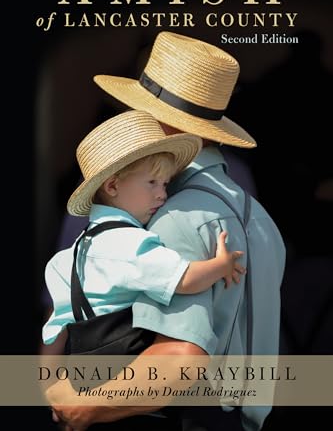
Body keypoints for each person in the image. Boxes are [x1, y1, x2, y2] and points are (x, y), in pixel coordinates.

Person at [47, 31, 286, 431]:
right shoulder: (260, 218)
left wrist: (81, 407)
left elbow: (178, 360)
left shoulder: (174, 216)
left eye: (139, 112)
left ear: (161, 124)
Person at [42, 109, 246, 354]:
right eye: (152, 183)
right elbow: (185, 279)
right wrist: (221, 265)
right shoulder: (128, 244)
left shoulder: (74, 252)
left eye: (165, 184)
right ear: (113, 185)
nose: (162, 194)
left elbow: (56, 324)